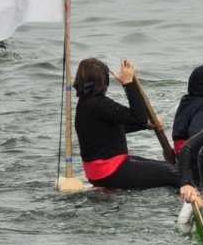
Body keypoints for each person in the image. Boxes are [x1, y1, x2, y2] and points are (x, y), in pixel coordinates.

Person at [73, 57, 179, 190]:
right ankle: (199, 198)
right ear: (102, 83)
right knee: (175, 174)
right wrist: (128, 83)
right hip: (111, 171)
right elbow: (139, 116)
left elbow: (114, 128)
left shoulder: (84, 105)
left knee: (167, 167)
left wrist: (145, 125)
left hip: (97, 173)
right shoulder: (100, 104)